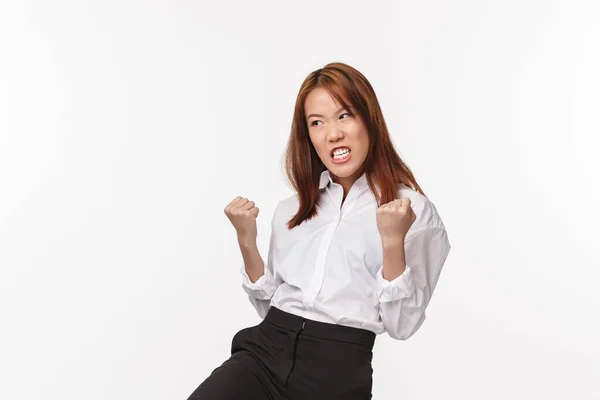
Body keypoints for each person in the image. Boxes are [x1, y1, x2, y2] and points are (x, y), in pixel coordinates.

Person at [187, 62, 451, 399]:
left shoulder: (412, 211)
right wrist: (246, 241)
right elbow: (270, 308)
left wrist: (392, 241)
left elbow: (402, 326)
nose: (333, 133)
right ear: (308, 136)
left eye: (345, 115)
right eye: (317, 122)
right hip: (264, 353)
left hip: (336, 371)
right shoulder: (292, 210)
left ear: (370, 120)